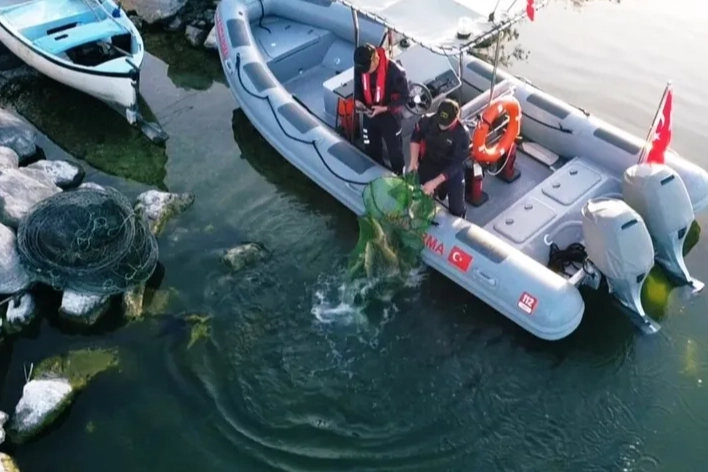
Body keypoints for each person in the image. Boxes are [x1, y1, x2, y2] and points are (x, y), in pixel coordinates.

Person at [353, 43, 409, 175]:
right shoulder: (360, 69)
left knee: (395, 152)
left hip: (389, 116)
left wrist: (385, 108)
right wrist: (358, 101)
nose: (365, 72)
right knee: (370, 147)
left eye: (367, 68)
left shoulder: (395, 71)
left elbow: (405, 97)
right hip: (369, 113)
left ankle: (399, 175)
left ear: (375, 59)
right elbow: (358, 86)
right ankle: (375, 173)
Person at [407, 99, 470, 218]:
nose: (442, 125)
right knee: (417, 191)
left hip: (451, 169)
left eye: (446, 123)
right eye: (440, 121)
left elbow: (457, 164)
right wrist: (413, 161)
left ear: (456, 118)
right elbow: (416, 136)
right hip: (431, 161)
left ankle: (459, 215)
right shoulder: (427, 120)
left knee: (457, 207)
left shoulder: (462, 135)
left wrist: (435, 182)